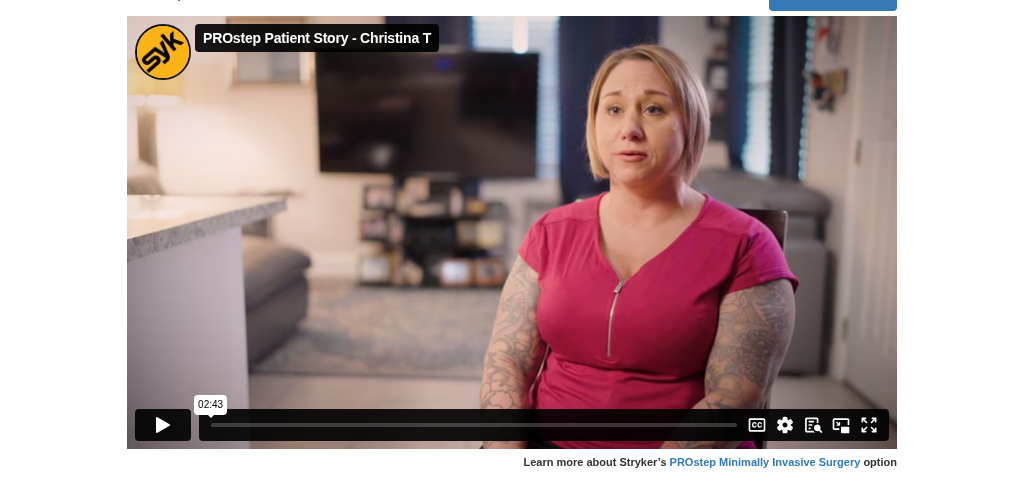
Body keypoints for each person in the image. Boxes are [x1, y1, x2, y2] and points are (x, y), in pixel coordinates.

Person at [478, 44, 798, 449]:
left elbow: (731, 402)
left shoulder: (748, 246)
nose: (629, 128)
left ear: (690, 124)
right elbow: (507, 360)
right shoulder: (550, 232)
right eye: (613, 109)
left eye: (653, 109)